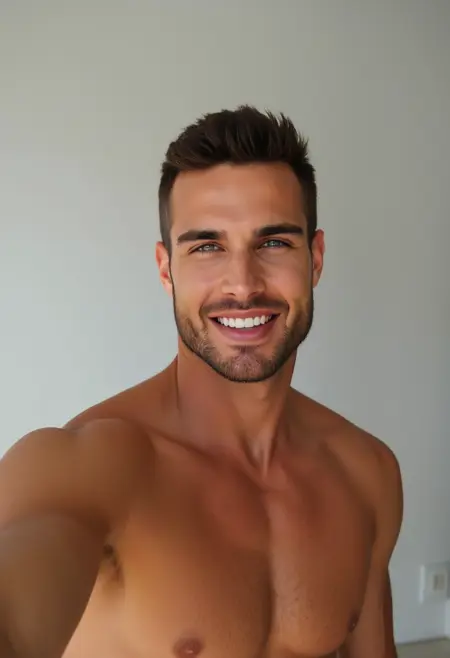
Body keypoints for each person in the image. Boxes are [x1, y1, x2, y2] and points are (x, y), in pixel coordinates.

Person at [0, 106, 403, 658]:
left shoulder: (366, 472)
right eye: (207, 246)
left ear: (315, 259)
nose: (243, 284)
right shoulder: (87, 467)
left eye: (274, 242)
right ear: (166, 269)